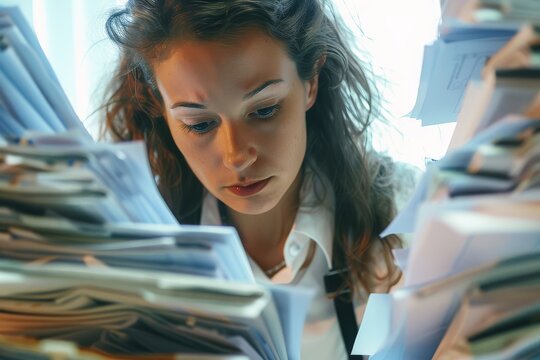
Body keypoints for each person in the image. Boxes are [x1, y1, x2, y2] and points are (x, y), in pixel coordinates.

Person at [102, 0, 403, 358]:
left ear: (311, 81)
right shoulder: (135, 255)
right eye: (200, 124)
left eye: (264, 110)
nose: (236, 155)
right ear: (160, 106)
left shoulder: (406, 222)